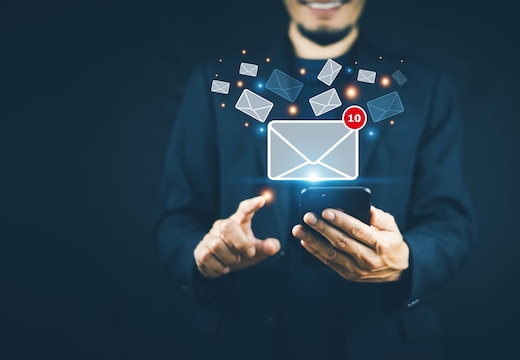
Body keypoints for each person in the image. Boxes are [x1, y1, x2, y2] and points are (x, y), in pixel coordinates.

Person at [154, 0, 474, 359]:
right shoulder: (218, 83)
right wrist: (203, 256)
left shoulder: (422, 88)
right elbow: (176, 219)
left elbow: (450, 223)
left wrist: (407, 260)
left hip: (382, 341)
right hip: (241, 340)